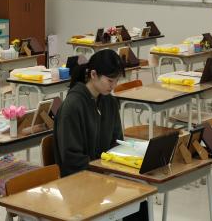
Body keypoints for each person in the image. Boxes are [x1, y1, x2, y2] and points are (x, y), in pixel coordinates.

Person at [53, 49, 148, 219]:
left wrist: (120, 167)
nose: (113, 86)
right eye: (110, 80)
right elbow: (71, 159)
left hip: (103, 174)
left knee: (140, 194)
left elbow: (117, 143)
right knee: (133, 198)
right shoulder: (72, 106)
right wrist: (104, 172)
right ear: (94, 75)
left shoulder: (109, 102)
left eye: (116, 81)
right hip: (78, 181)